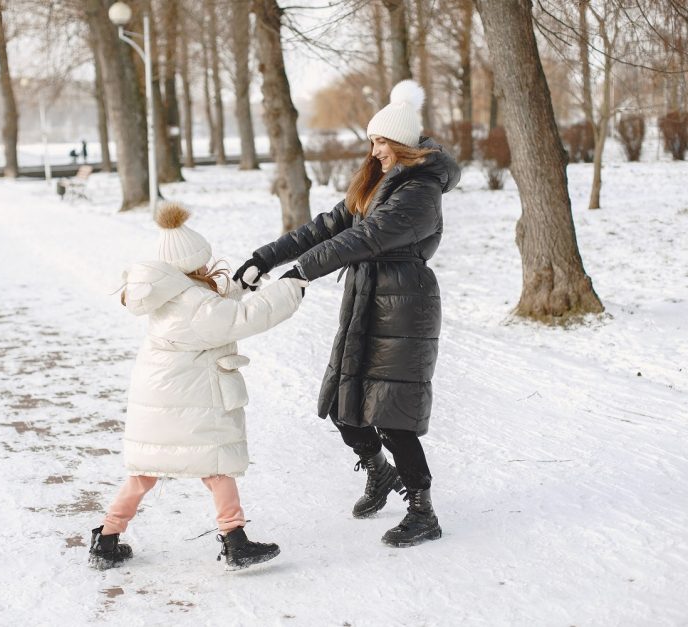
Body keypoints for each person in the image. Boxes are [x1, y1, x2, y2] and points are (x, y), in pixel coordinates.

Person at [233, 80, 460, 548]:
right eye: (372, 140)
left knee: (393, 415)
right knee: (346, 408)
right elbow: (326, 228)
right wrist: (264, 259)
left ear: (403, 143)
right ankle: (379, 473)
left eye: (381, 141)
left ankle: (423, 511)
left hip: (403, 307)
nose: (374, 150)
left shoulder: (421, 191)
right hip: (364, 301)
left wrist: (302, 273)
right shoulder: (375, 182)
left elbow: (367, 238)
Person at [88, 202, 307, 571]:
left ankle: (106, 538)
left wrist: (239, 286)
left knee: (144, 473)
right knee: (217, 465)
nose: (208, 268)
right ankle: (235, 542)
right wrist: (289, 288)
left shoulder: (170, 295)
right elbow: (239, 319)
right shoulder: (194, 304)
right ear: (191, 266)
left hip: (162, 400)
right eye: (202, 263)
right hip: (190, 400)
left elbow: (213, 310)